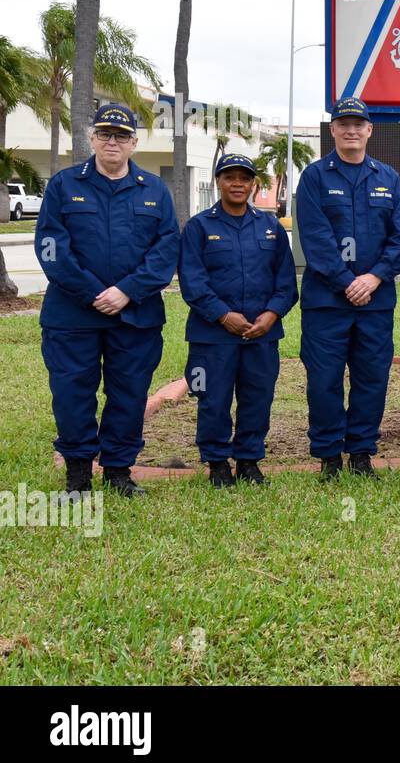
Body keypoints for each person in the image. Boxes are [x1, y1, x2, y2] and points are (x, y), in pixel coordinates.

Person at [35, 103, 179, 498]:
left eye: (121, 135)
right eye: (104, 134)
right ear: (92, 139)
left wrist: (126, 291)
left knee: (129, 394)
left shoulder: (154, 191)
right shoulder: (64, 186)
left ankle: (118, 473)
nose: (112, 141)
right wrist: (93, 293)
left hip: (136, 317)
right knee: (72, 394)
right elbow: (50, 248)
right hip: (72, 316)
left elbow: (166, 249)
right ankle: (78, 478)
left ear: (134, 142)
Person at [295, 97, 400, 479]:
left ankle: (361, 454)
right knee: (324, 380)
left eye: (358, 124)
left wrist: (373, 278)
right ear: (332, 130)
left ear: (369, 130)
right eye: (343, 123)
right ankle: (329, 456)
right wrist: (347, 282)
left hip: (375, 303)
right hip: (327, 303)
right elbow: (315, 240)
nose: (351, 130)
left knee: (371, 378)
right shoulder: (314, 177)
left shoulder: (389, 178)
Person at [178, 153, 298, 487]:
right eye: (229, 177)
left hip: (262, 334)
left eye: (244, 178)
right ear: (218, 181)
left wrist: (271, 315)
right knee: (213, 399)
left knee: (257, 398)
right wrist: (223, 316)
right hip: (212, 336)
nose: (237, 184)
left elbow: (286, 281)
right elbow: (192, 281)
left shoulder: (271, 227)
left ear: (253, 184)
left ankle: (248, 460)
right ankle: (217, 463)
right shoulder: (200, 227)